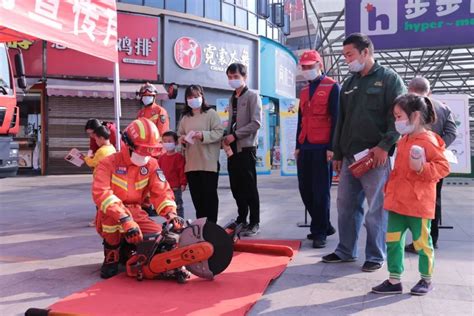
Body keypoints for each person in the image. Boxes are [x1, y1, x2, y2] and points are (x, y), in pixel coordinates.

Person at [323, 33, 407, 272]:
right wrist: (337, 153)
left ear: (365, 52)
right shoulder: (348, 84)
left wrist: (385, 146)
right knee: (345, 205)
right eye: (345, 55)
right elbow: (342, 121)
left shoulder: (389, 79)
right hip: (350, 156)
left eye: (350, 54)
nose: (347, 59)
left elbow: (399, 118)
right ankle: (345, 250)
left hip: (376, 156)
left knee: (377, 208)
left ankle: (375, 254)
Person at [372, 94, 450, 295]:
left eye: (399, 116)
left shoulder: (429, 140)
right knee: (393, 242)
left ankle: (426, 279)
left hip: (418, 205)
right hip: (397, 202)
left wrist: (422, 168)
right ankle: (394, 279)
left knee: (423, 244)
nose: (396, 121)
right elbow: (397, 169)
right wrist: (389, 189)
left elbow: (443, 167)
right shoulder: (404, 140)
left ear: (415, 116)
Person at [92, 118, 178, 279]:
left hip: (136, 211)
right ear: (129, 144)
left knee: (158, 237)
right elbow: (102, 194)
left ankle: (129, 249)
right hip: (112, 213)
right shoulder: (108, 163)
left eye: (150, 150)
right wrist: (125, 219)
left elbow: (161, 191)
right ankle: (112, 255)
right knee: (111, 223)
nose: (146, 155)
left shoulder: (151, 165)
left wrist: (171, 213)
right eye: (142, 149)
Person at [404, 77, 457, 251]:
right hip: (435, 164)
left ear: (409, 89)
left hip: (411, 162)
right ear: (429, 91)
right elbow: (451, 133)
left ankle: (416, 240)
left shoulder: (407, 107)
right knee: (434, 200)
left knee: (411, 200)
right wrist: (437, 149)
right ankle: (430, 240)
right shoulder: (443, 107)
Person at [295, 50, 340, 248]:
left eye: (310, 66)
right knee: (305, 189)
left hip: (323, 146)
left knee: (321, 191)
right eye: (303, 67)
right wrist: (297, 145)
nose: (306, 70)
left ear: (319, 65)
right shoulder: (304, 91)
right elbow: (300, 119)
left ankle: (319, 231)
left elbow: (337, 119)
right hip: (305, 145)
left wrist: (332, 147)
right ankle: (324, 224)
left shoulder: (332, 86)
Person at [223, 63, 262, 237]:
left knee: (249, 186)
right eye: (230, 77)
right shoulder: (232, 98)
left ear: (244, 77)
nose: (232, 80)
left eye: (235, 76)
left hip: (246, 147)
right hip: (232, 148)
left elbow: (256, 123)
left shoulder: (252, 96)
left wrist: (236, 135)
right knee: (236, 186)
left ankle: (254, 222)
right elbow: (231, 121)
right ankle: (241, 218)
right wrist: (226, 135)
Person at [178, 85, 223, 223]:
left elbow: (219, 132)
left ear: (202, 97)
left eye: (196, 96)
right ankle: (201, 227)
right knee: (197, 200)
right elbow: (180, 135)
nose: (193, 99)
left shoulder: (211, 114)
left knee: (209, 198)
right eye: (190, 97)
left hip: (208, 164)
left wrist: (202, 135)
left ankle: (211, 226)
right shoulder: (185, 117)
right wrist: (183, 140)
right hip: (191, 164)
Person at [159, 131, 187, 218]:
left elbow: (182, 171)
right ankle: (170, 222)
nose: (167, 143)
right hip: (165, 189)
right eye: (165, 141)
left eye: (169, 141)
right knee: (167, 207)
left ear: (176, 142)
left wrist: (183, 183)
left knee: (177, 206)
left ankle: (180, 222)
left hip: (175, 188)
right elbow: (158, 172)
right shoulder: (161, 158)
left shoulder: (179, 157)